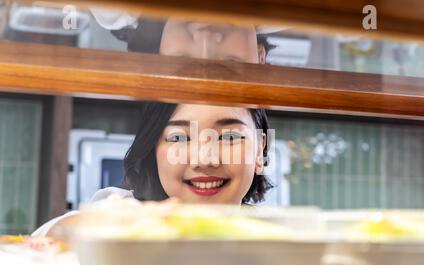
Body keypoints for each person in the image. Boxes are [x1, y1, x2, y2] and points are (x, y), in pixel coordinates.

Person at [32, 17, 275, 236]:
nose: (205, 159)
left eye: (229, 137)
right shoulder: (125, 219)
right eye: (179, 138)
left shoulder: (278, 240)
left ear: (259, 149)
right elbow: (47, 238)